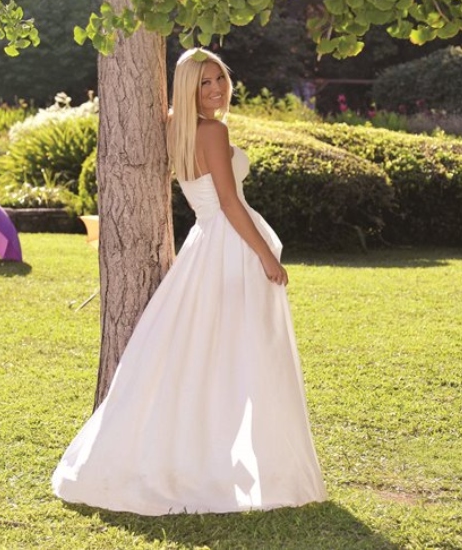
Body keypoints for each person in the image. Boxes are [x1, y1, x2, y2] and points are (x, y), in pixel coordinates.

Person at [51, 48, 327, 515]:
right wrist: (265, 256)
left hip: (205, 244)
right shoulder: (213, 131)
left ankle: (205, 454)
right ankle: (238, 462)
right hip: (230, 247)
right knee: (248, 355)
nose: (217, 89)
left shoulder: (177, 127)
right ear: (188, 89)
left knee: (205, 353)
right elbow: (229, 203)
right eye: (204, 82)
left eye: (219, 79)